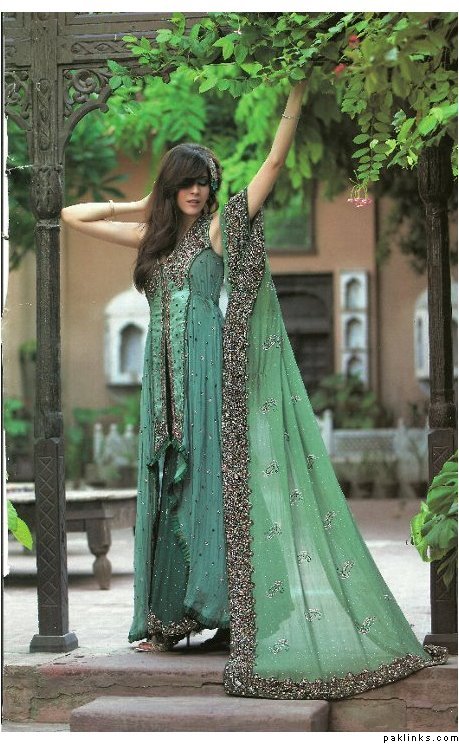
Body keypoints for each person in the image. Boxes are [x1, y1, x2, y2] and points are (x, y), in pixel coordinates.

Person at [60, 79, 447, 699]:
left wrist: (295, 100)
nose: (197, 191)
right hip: (162, 391)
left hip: (210, 385)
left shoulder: (219, 231)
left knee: (212, 491)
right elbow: (71, 215)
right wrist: (144, 203)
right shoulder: (153, 240)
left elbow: (270, 165)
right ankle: (168, 620)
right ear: (171, 187)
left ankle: (225, 613)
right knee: (167, 492)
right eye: (187, 182)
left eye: (204, 182)